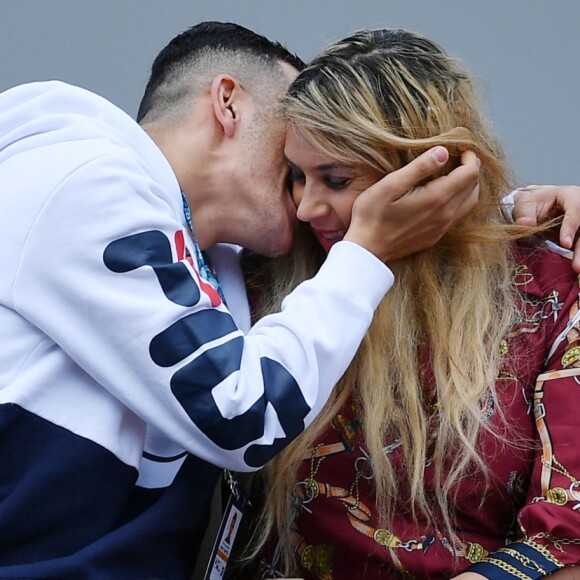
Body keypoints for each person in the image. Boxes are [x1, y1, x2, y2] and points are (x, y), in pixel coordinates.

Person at [0, 21, 488, 579]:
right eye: (295, 149)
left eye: (329, 168)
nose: (305, 194)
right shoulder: (79, 180)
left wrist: (529, 215)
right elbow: (243, 412)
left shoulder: (216, 259)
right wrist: (366, 255)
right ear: (228, 103)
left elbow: (388, 206)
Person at [242, 28, 580, 580]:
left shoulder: (552, 293)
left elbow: (568, 540)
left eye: (336, 178)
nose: (306, 208)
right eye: (295, 177)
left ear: (431, 170)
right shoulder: (265, 278)